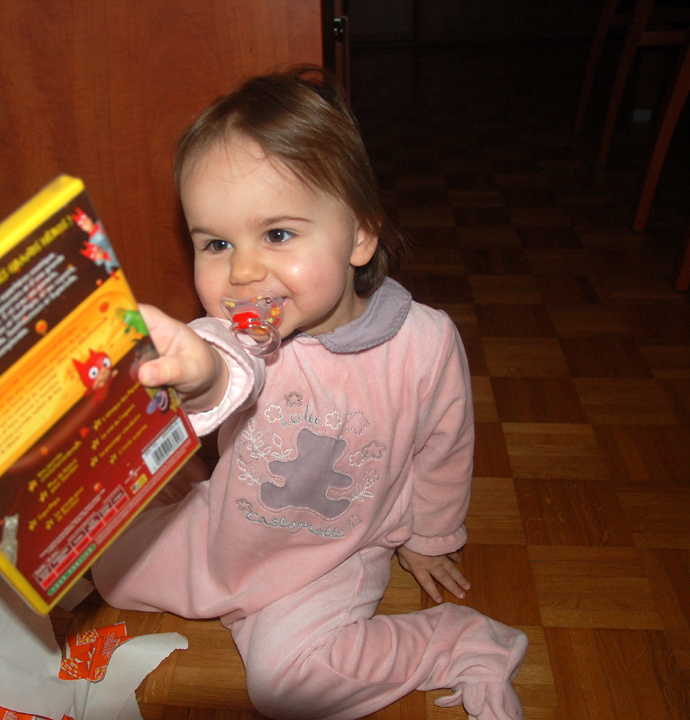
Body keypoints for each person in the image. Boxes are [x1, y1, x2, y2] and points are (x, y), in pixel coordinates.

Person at [91, 65, 527, 720]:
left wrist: (429, 537)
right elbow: (222, 367)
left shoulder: (424, 342)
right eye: (216, 243)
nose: (243, 271)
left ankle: (462, 642)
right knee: (107, 572)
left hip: (333, 553)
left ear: (360, 235)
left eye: (277, 234)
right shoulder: (240, 338)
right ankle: (181, 500)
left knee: (287, 688)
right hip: (231, 532)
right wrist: (198, 372)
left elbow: (443, 448)